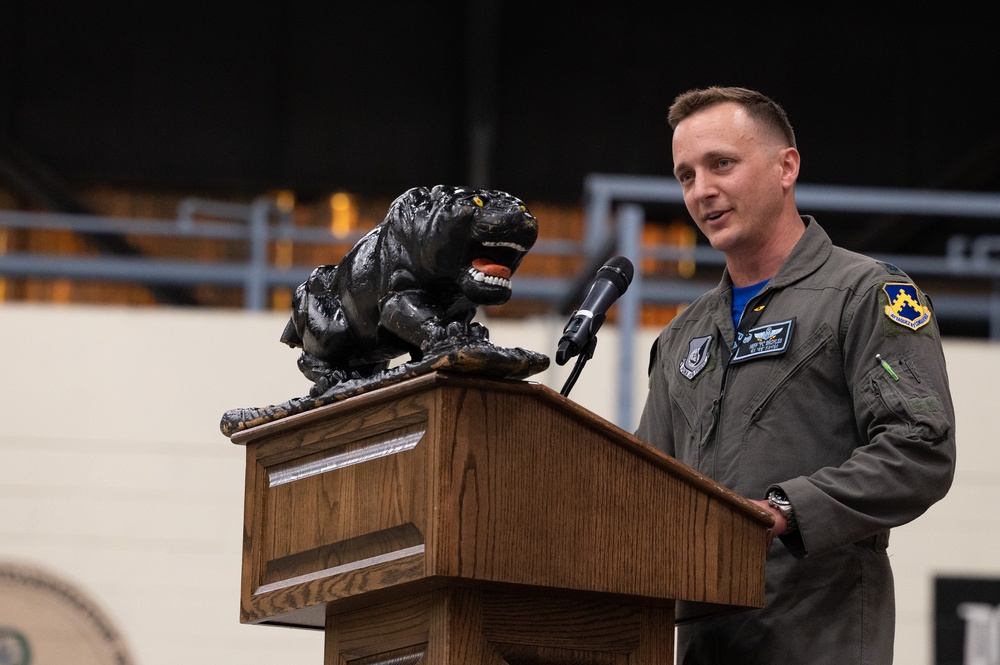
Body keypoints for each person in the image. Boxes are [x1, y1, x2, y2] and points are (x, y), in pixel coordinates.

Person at [635, 86, 957, 663]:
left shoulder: (866, 295)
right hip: (702, 647)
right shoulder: (681, 336)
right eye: (685, 175)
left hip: (818, 643)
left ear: (787, 167)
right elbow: (643, 493)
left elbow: (919, 448)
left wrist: (785, 510)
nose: (702, 190)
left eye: (721, 164)